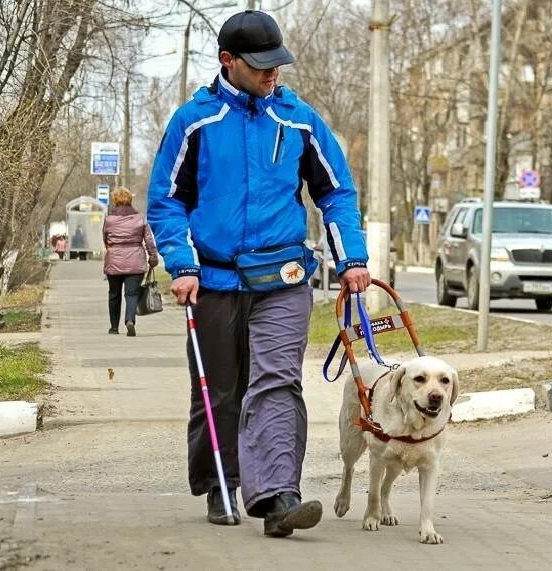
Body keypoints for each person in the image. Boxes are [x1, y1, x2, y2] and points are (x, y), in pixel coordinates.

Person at [147, 9, 370, 537]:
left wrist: (352, 259)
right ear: (228, 61)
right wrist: (181, 264)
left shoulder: (298, 119)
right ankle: (221, 483)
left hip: (283, 276)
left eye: (278, 65)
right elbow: (166, 201)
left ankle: (276, 498)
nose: (273, 75)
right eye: (261, 66)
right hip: (214, 279)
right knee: (221, 390)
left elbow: (335, 192)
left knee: (276, 381)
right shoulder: (194, 120)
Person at [103, 187, 158, 336]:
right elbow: (148, 240)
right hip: (135, 260)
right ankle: (130, 320)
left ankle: (114, 328)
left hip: (114, 260)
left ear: (114, 200)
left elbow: (105, 239)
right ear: (130, 200)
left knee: (114, 294)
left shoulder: (109, 219)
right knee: (132, 294)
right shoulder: (141, 218)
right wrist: (153, 257)